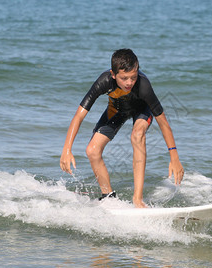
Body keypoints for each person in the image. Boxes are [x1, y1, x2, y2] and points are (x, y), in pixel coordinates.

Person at [60, 49, 184, 208]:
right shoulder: (104, 82)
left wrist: (174, 157)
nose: (129, 83)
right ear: (113, 74)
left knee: (137, 135)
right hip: (116, 110)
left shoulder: (143, 85)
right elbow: (78, 116)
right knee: (92, 151)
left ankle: (138, 199)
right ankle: (108, 196)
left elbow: (163, 123)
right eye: (124, 78)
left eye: (133, 77)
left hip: (142, 111)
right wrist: (67, 149)